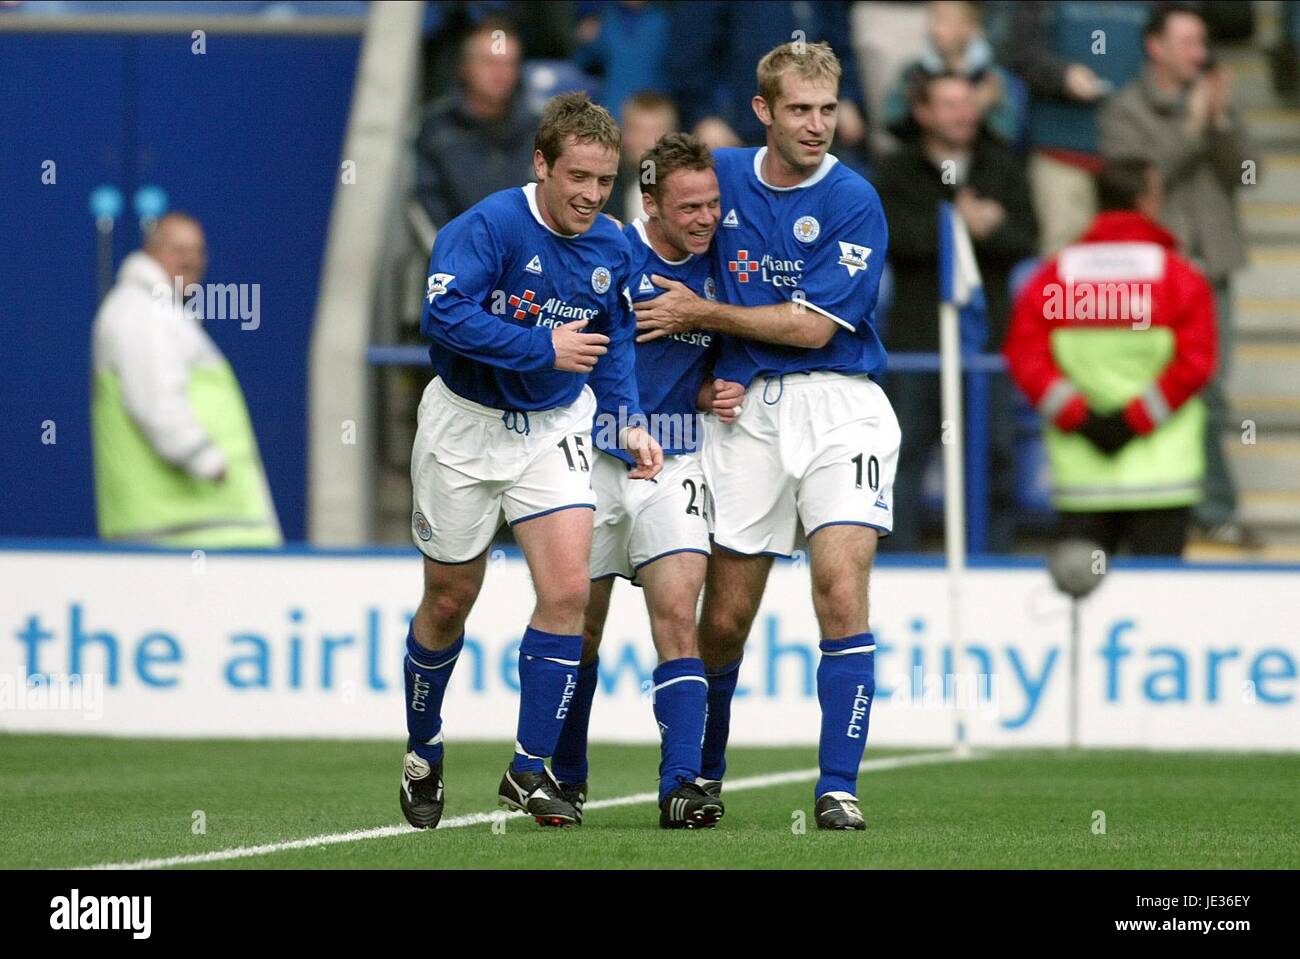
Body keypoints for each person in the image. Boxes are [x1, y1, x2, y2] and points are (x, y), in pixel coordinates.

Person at [635, 42, 898, 831]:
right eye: (800, 110)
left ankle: (838, 785)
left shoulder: (855, 199)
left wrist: (703, 319)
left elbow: (812, 330)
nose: (817, 125)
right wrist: (716, 360)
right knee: (725, 617)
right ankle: (699, 778)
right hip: (744, 418)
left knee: (839, 590)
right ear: (764, 111)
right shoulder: (720, 175)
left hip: (841, 405)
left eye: (827, 109)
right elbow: (658, 233)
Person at [399, 93, 664, 831]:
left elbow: (611, 343)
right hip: (465, 425)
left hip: (553, 426)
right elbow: (444, 316)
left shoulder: (613, 245)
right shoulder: (485, 227)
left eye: (603, 181)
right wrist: (542, 347)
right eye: (576, 175)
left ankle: (528, 768)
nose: (588, 194)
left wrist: (629, 422)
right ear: (541, 163)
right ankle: (424, 747)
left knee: (569, 591)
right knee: (451, 598)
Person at [551, 132, 746, 829]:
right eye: (690, 206)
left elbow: (717, 359)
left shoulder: (720, 271)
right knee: (581, 626)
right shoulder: (608, 254)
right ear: (652, 202)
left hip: (677, 460)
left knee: (677, 616)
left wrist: (709, 394)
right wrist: (617, 424)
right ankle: (566, 778)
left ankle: (681, 785)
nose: (705, 219)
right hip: (597, 458)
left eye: (714, 204)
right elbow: (573, 358)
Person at [1098, 2, 1258, 548]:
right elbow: (1139, 183)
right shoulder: (1123, 109)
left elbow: (1247, 174)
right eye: (1189, 42)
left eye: (1203, 43)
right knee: (1171, 386)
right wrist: (1191, 129)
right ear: (1155, 47)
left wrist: (1220, 122)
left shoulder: (1214, 103)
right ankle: (1197, 504)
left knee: (1211, 388)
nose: (1200, 54)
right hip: (1152, 275)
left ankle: (1205, 504)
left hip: (1211, 266)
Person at [1003, 159, 1217, 556]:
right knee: (1161, 607)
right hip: (1163, 478)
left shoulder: (1055, 276)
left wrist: (1081, 418)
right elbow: (1195, 363)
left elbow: (1026, 358)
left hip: (1082, 480)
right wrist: (1134, 420)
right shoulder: (1179, 277)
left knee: (1081, 611)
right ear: (1148, 200)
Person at [874, 70, 1038, 552]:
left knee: (994, 459)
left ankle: (993, 561)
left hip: (984, 348)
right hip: (917, 345)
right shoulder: (897, 170)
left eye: (968, 104)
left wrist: (989, 230)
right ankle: (898, 567)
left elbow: (1027, 238)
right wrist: (953, 225)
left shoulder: (1002, 166)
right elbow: (889, 240)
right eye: (948, 104)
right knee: (902, 461)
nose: (962, 114)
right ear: (922, 111)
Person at [90, 212, 282, 548]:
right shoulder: (144, 313)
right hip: (183, 527)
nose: (192, 261)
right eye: (178, 250)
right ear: (151, 252)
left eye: (198, 250)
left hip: (193, 525)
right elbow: (155, 402)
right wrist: (207, 461)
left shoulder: (157, 311)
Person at [1005, 0, 1149, 255]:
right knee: (1065, 264)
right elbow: (1019, 52)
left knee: (1136, 264)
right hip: (1062, 150)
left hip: (1134, 154)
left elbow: (1176, 40)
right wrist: (1061, 76)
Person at [415, 17, 539, 229]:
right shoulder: (435, 129)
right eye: (490, 63)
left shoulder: (538, 131)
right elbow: (425, 204)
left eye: (509, 64)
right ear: (465, 67)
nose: (500, 74)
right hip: (458, 251)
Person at [882, 1, 1023, 146]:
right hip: (924, 162)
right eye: (934, 19)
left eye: (946, 21)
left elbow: (1007, 136)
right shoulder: (914, 73)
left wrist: (984, 108)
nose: (935, 29)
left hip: (979, 164)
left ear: (971, 28)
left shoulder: (991, 78)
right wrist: (916, 104)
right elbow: (891, 124)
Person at [604, 90, 679, 224]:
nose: (645, 141)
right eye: (637, 130)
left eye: (655, 131)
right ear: (622, 134)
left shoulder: (687, 187)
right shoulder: (603, 185)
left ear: (672, 137)